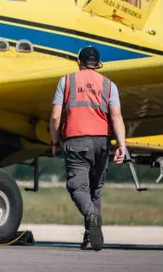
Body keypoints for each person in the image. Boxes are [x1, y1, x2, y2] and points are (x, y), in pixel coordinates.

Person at [48, 46, 127, 251]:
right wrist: (121, 144)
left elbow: (56, 116)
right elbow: (116, 116)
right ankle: (90, 237)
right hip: (102, 142)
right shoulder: (110, 85)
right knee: (95, 189)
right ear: (98, 64)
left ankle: (91, 214)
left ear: (78, 62)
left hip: (76, 140)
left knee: (77, 187)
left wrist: (55, 142)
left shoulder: (66, 81)